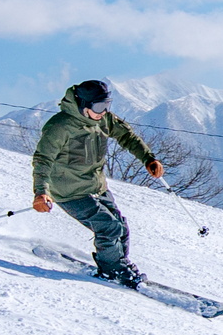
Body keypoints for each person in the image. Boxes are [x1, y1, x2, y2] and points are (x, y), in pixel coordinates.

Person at [31, 79, 163, 288]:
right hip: (68, 191)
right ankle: (112, 270)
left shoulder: (103, 120)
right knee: (108, 227)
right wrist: (41, 192)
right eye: (99, 106)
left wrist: (148, 158)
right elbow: (43, 159)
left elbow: (126, 136)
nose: (103, 112)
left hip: (95, 186)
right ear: (83, 105)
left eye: (107, 105)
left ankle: (119, 263)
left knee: (121, 226)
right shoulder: (60, 126)